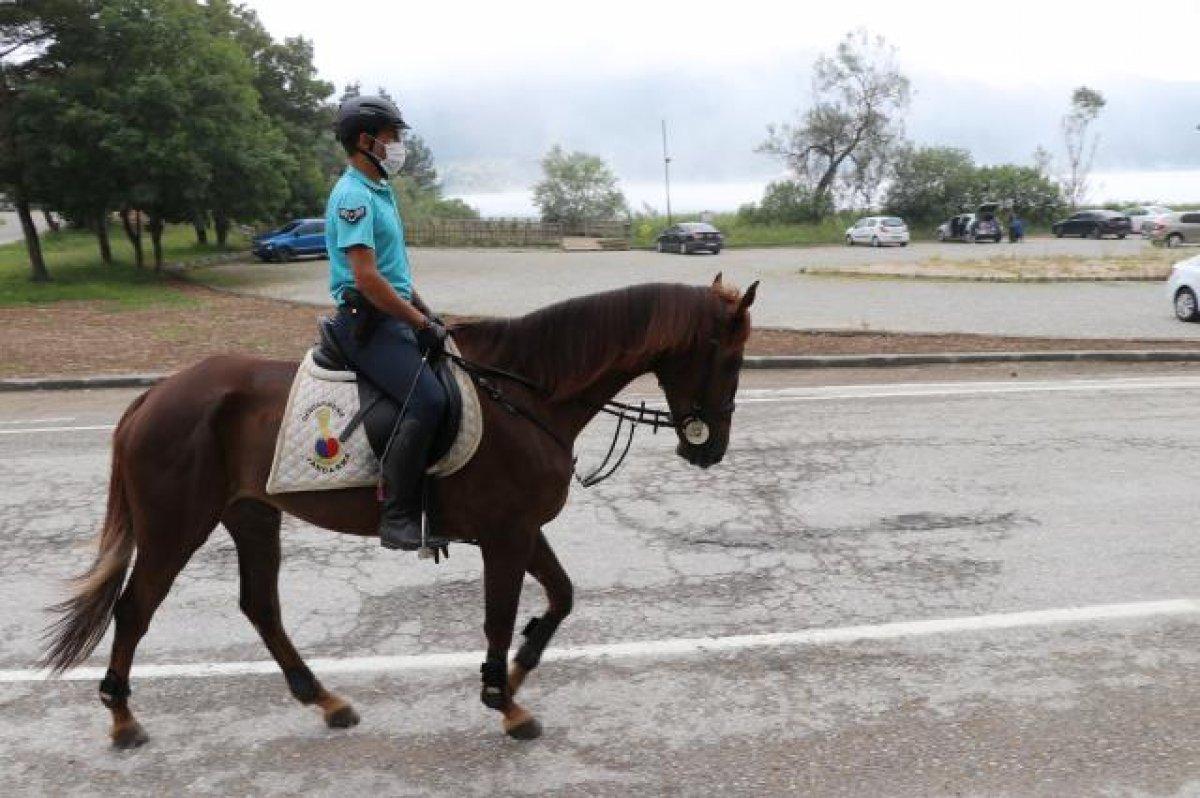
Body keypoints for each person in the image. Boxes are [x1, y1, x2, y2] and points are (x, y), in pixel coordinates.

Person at [324, 95, 449, 553]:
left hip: (391, 316)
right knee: (428, 401)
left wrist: (427, 315)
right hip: (366, 324)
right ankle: (397, 513)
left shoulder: (380, 190)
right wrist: (416, 321)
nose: (398, 146)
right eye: (393, 137)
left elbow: (396, 274)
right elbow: (368, 278)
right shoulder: (353, 196)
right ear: (366, 140)